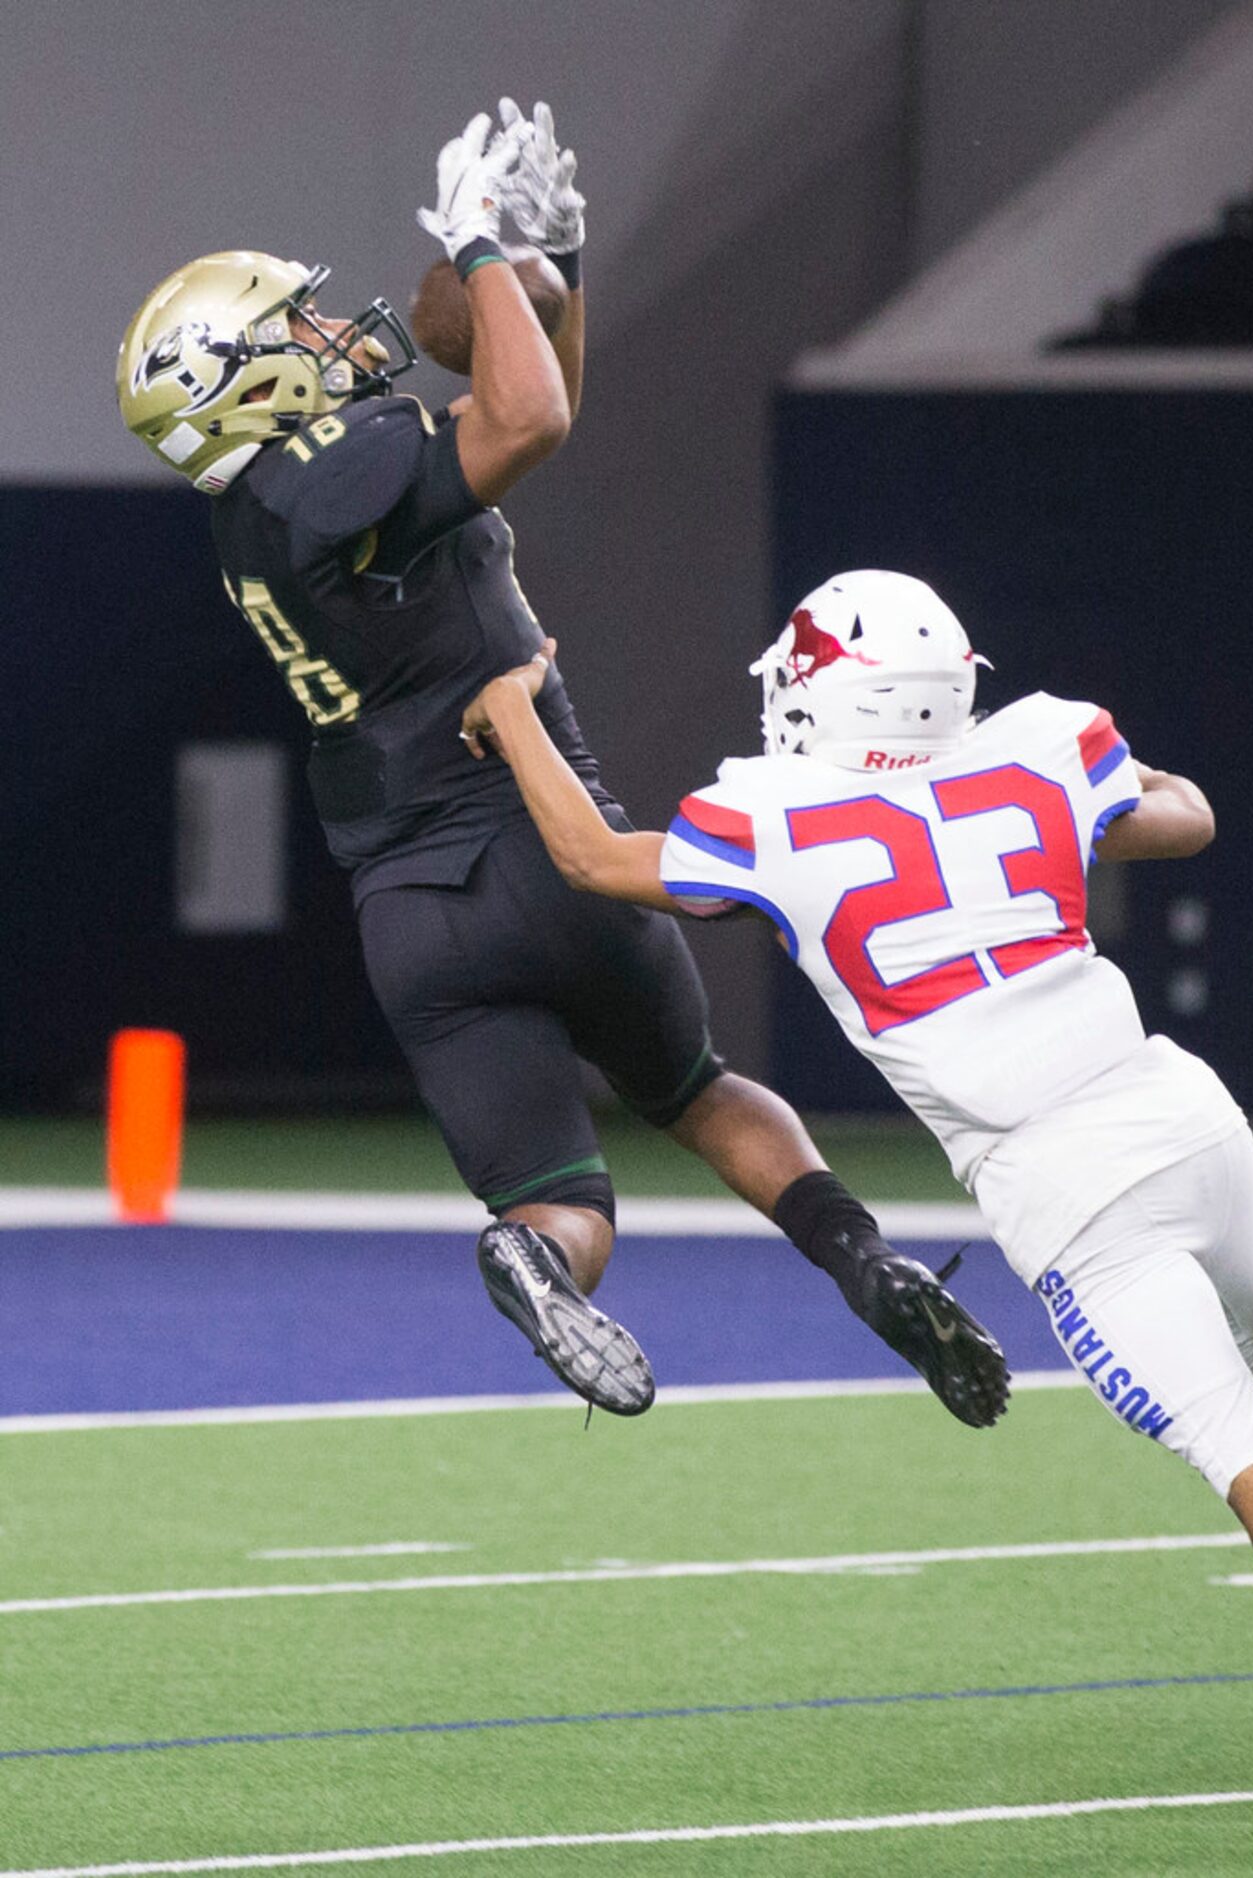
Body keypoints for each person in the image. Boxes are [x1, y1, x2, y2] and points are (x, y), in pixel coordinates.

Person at [460, 567, 1253, 1853]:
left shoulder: (771, 816)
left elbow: (587, 856)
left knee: (1251, 1453)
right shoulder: (1039, 744)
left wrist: (512, 702)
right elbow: (1185, 815)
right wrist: (1083, 817)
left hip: (1062, 1183)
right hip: (1175, 1104)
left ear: (825, 695)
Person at [114, 109, 1008, 1433]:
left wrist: (561, 267)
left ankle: (534, 1266)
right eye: (287, 330)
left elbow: (542, 402)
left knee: (559, 1203)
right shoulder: (327, 471)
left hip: (411, 914)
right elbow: (526, 413)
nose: (321, 333)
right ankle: (852, 1253)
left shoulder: (257, 523)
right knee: (698, 1093)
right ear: (238, 382)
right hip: (543, 842)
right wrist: (476, 239)